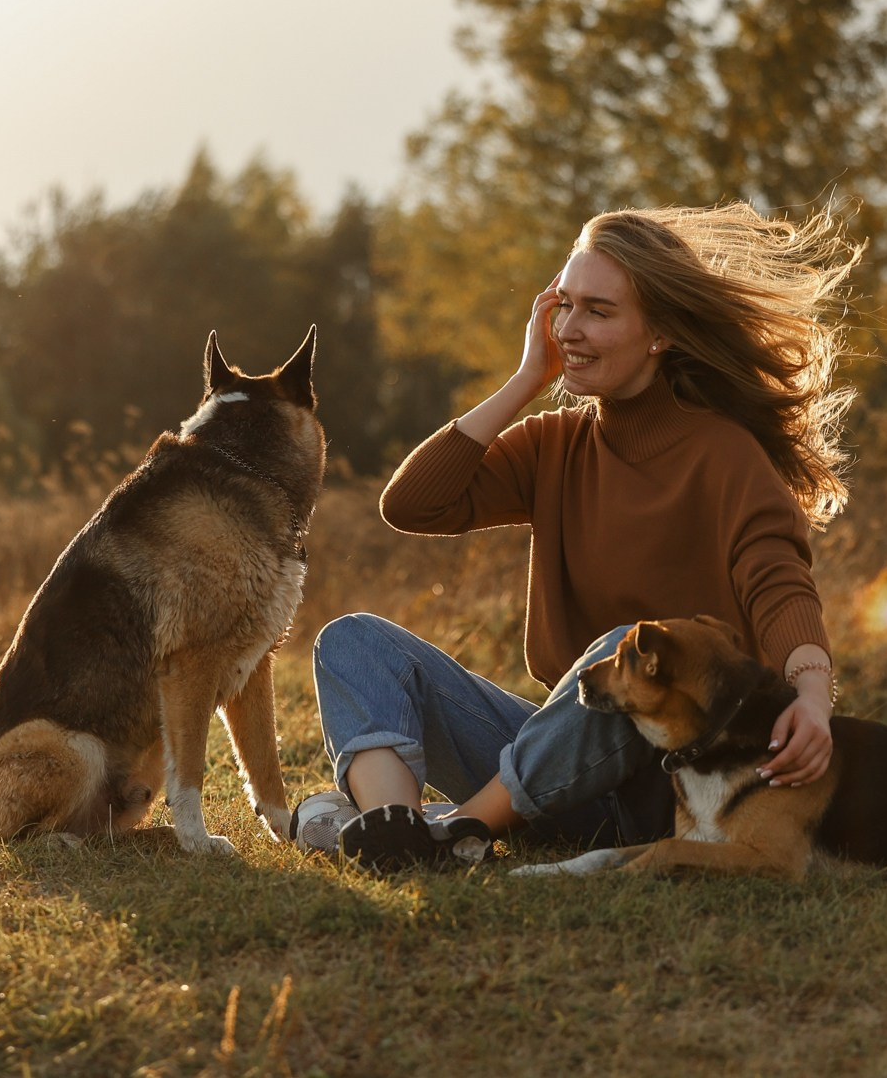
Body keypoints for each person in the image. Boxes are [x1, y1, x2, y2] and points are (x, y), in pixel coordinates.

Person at [294, 203, 855, 870]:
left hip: (676, 782)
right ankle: (401, 832)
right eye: (563, 306)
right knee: (353, 641)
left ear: (660, 333)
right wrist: (527, 380)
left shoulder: (726, 455)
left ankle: (464, 826)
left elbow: (780, 584)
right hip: (561, 757)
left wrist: (814, 696)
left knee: (628, 647)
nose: (570, 330)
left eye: (598, 310)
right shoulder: (555, 445)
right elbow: (413, 504)